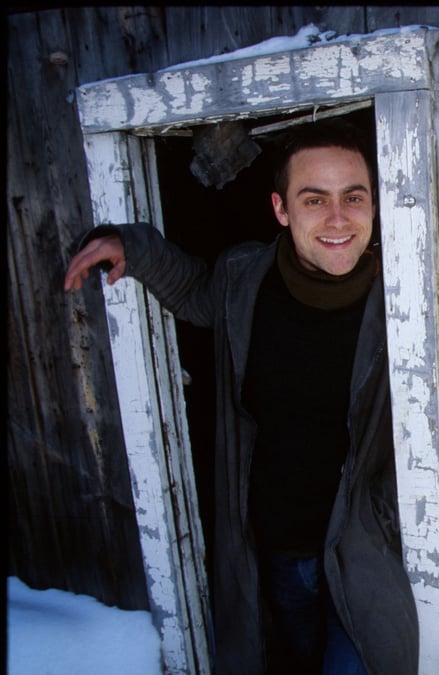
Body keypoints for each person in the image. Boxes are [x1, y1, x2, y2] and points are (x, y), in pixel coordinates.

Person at [64, 123, 419, 675]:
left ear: (376, 202)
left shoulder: (402, 292)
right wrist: (129, 246)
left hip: (366, 549)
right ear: (281, 208)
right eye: (314, 199)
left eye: (354, 197)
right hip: (281, 549)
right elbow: (190, 290)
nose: (337, 218)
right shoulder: (244, 279)